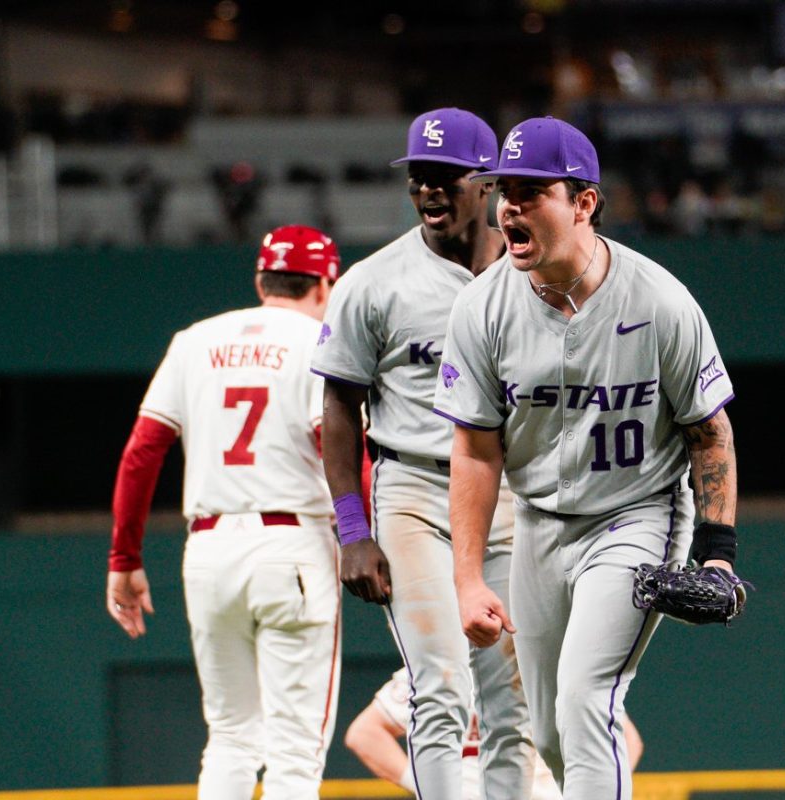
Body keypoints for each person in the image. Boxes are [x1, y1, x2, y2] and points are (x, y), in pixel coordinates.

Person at [433, 117, 740, 800]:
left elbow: (708, 431)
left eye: (531, 191)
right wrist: (467, 577)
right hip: (539, 523)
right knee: (547, 730)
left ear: (584, 202)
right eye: (503, 190)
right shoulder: (482, 308)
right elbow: (475, 451)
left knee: (585, 698)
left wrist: (717, 553)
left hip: (638, 515)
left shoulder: (659, 301)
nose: (508, 205)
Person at [311, 108, 534, 799]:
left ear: (487, 182)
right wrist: (353, 530)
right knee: (440, 684)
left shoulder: (536, 275)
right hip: (414, 493)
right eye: (418, 179)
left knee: (514, 700)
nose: (429, 191)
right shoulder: (373, 283)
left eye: (445, 177)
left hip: (512, 495)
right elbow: (339, 408)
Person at [106, 225, 344, 799]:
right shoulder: (319, 340)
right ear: (325, 281)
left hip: (208, 551)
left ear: (261, 279)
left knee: (232, 737)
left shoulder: (195, 340)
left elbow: (143, 451)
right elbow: (334, 448)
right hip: (292, 546)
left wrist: (124, 557)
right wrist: (370, 532)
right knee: (294, 752)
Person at [345, 668, 644, 799]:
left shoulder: (548, 665)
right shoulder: (440, 668)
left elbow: (626, 740)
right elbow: (365, 733)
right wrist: (430, 787)